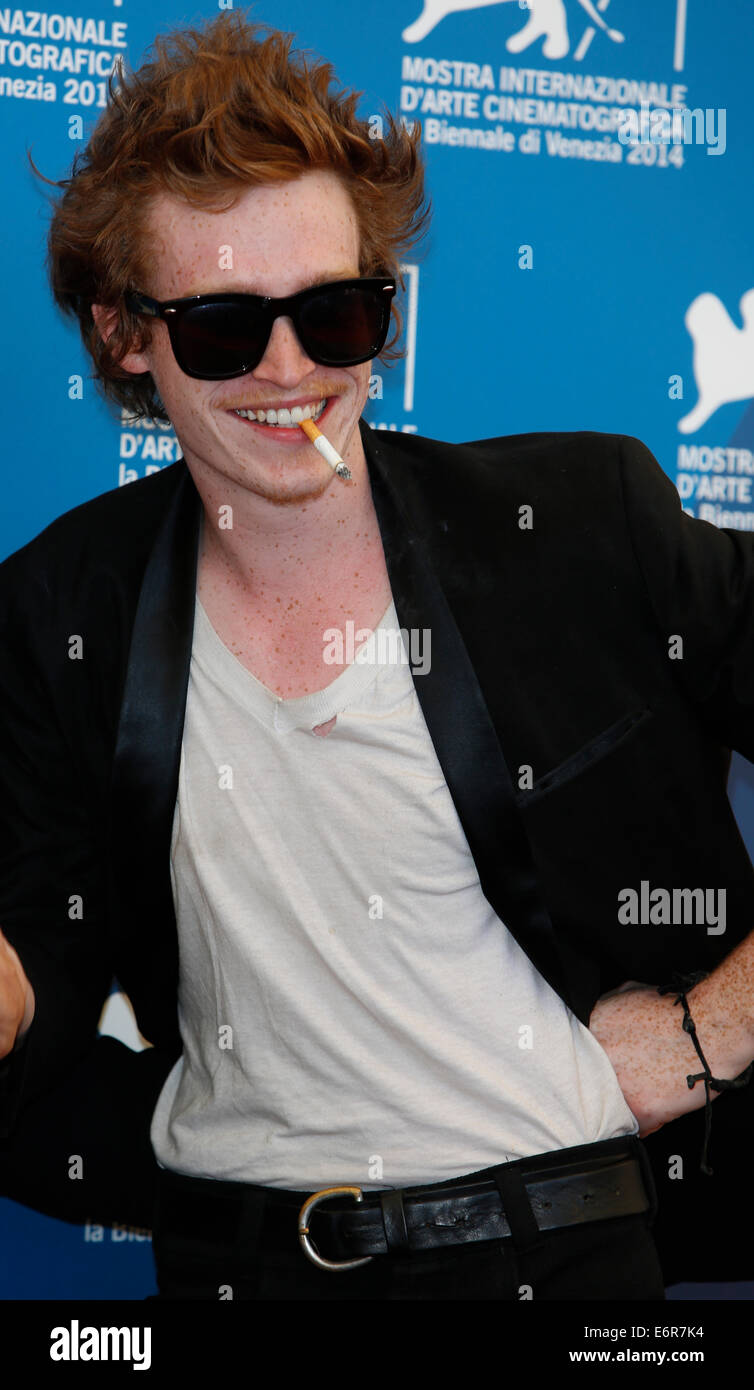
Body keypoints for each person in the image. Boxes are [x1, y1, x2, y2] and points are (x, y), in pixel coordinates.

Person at [1, 12, 753, 1302]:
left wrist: (711, 1030)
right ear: (127, 337)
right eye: (226, 330)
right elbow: (44, 951)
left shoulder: (577, 528)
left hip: (559, 1260)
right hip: (228, 1269)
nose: (291, 373)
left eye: (339, 313)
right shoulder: (63, 611)